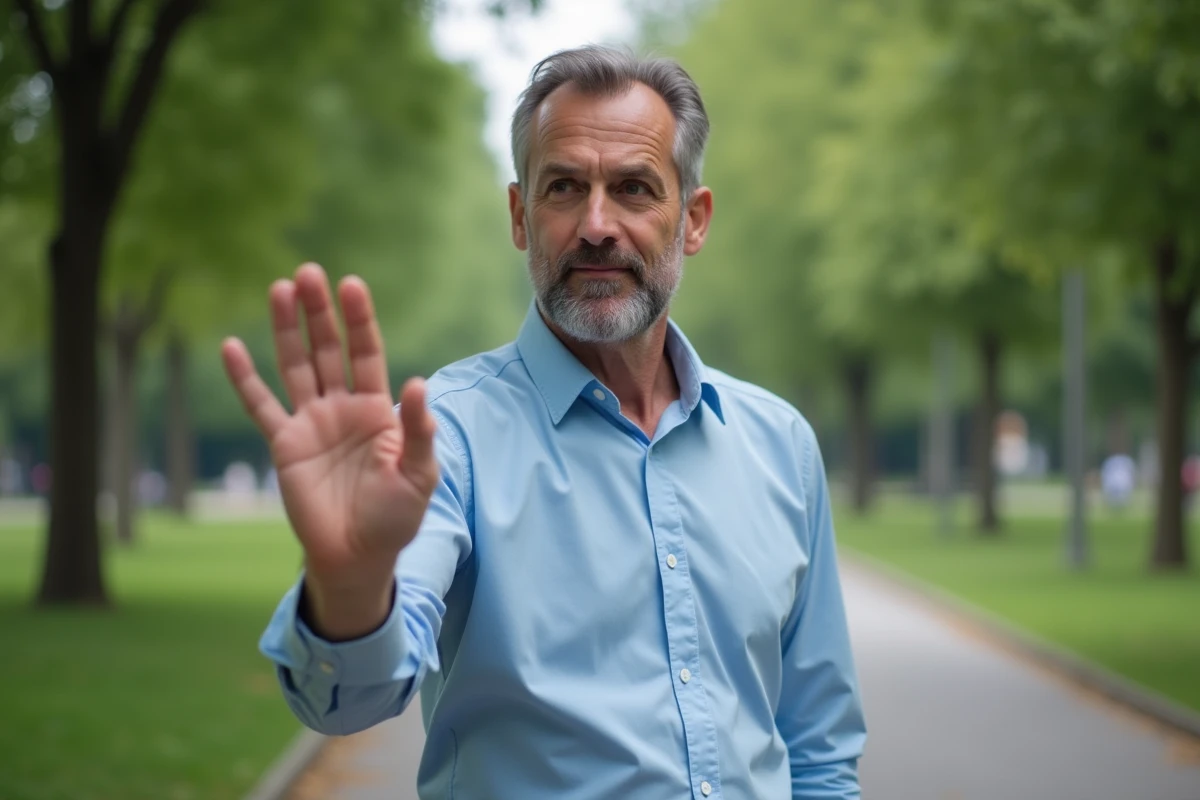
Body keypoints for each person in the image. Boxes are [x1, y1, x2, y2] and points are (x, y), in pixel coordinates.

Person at [222, 45, 866, 799]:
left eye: (633, 189)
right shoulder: (442, 442)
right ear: (520, 216)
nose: (597, 225)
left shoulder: (781, 445)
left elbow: (819, 751)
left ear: (692, 220)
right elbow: (347, 701)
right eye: (564, 187)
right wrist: (351, 584)